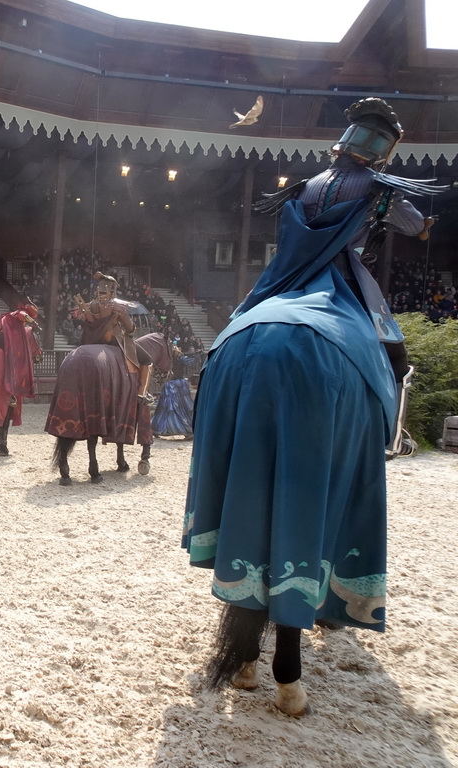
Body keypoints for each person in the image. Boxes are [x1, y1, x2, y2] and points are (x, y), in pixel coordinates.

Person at [182, 98, 444, 715]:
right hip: (340, 288)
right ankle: (391, 431)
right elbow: (416, 226)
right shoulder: (378, 186)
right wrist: (411, 222)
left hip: (280, 286)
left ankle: (243, 654)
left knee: (229, 338)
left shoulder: (305, 186)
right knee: (394, 354)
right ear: (384, 148)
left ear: (343, 140)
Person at [73, 271, 154, 404]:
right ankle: (141, 393)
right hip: (114, 341)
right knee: (147, 359)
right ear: (112, 290)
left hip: (91, 341)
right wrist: (130, 328)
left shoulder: (89, 306)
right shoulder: (118, 307)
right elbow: (130, 329)